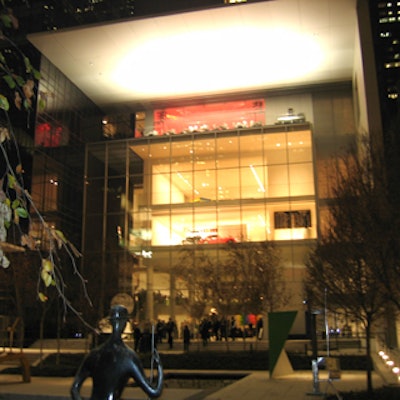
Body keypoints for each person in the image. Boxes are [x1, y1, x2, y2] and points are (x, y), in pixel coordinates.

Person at [71, 305, 163, 400]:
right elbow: (154, 392)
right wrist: (159, 367)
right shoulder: (129, 358)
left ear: (110, 322)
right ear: (125, 324)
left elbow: (74, 389)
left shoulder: (94, 354)